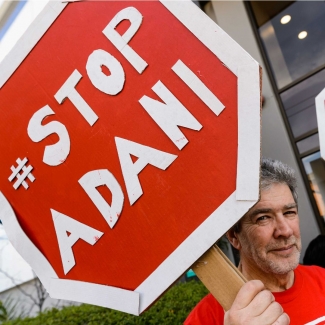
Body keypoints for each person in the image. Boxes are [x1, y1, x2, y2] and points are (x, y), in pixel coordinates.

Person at [185, 158, 325, 325]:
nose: (285, 231)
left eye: (289, 212)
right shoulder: (205, 318)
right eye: (263, 218)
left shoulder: (322, 278)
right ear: (234, 237)